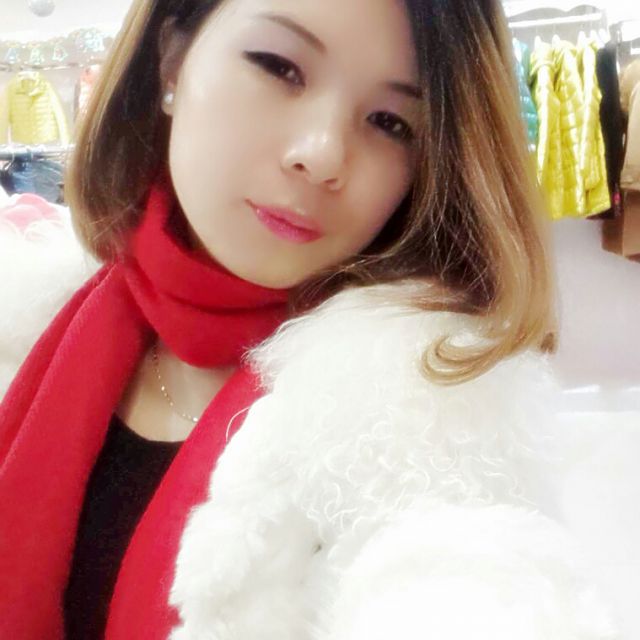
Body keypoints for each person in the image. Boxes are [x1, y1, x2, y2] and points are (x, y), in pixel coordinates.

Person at [0, 0, 619, 639]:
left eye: (390, 122)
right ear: (172, 57)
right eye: (278, 66)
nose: (322, 155)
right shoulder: (35, 326)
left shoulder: (427, 429)